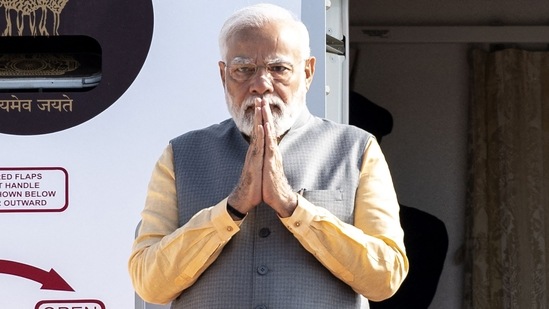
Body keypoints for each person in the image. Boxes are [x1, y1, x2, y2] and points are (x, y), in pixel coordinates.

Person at [128, 4, 408, 308]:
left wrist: (292, 206)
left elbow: (385, 278)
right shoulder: (180, 156)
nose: (261, 85)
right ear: (224, 75)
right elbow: (149, 283)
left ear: (308, 72)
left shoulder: (356, 150)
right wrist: (231, 209)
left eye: (278, 69)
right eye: (244, 69)